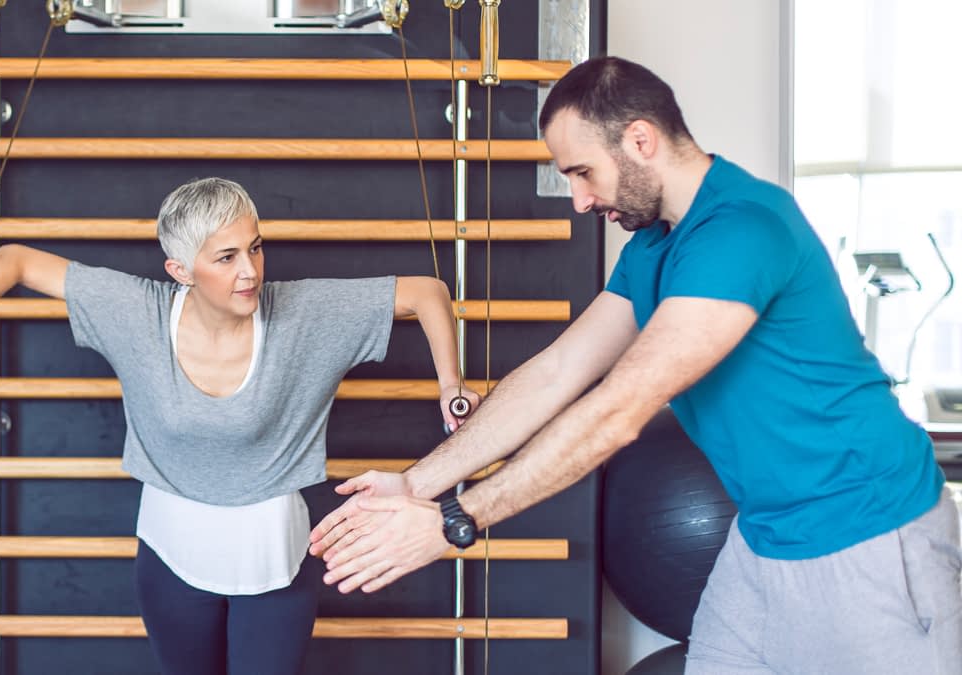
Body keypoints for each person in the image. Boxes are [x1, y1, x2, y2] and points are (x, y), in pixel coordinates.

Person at [308, 56, 961, 674]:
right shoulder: (656, 242)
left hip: (871, 536)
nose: (579, 201)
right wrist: (418, 484)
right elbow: (559, 371)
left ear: (641, 141)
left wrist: (458, 519)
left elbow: (619, 410)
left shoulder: (743, 229)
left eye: (582, 172)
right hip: (764, 539)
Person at [0, 177, 480, 675]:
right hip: (170, 552)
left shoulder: (305, 313)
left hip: (273, 557)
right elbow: (16, 261)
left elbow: (427, 294)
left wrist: (449, 385)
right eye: (225, 257)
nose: (250, 270)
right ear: (180, 270)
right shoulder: (136, 309)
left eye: (255, 248)